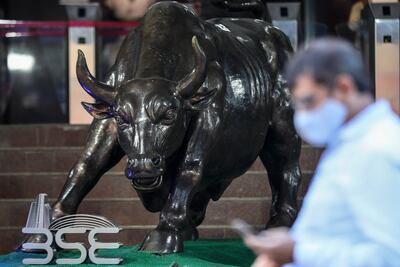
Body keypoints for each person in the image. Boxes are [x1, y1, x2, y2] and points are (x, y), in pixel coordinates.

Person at [244, 38, 400, 267]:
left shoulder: (375, 149)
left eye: (309, 101)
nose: (303, 115)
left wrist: (296, 251)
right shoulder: (349, 143)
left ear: (344, 88)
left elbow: (390, 257)